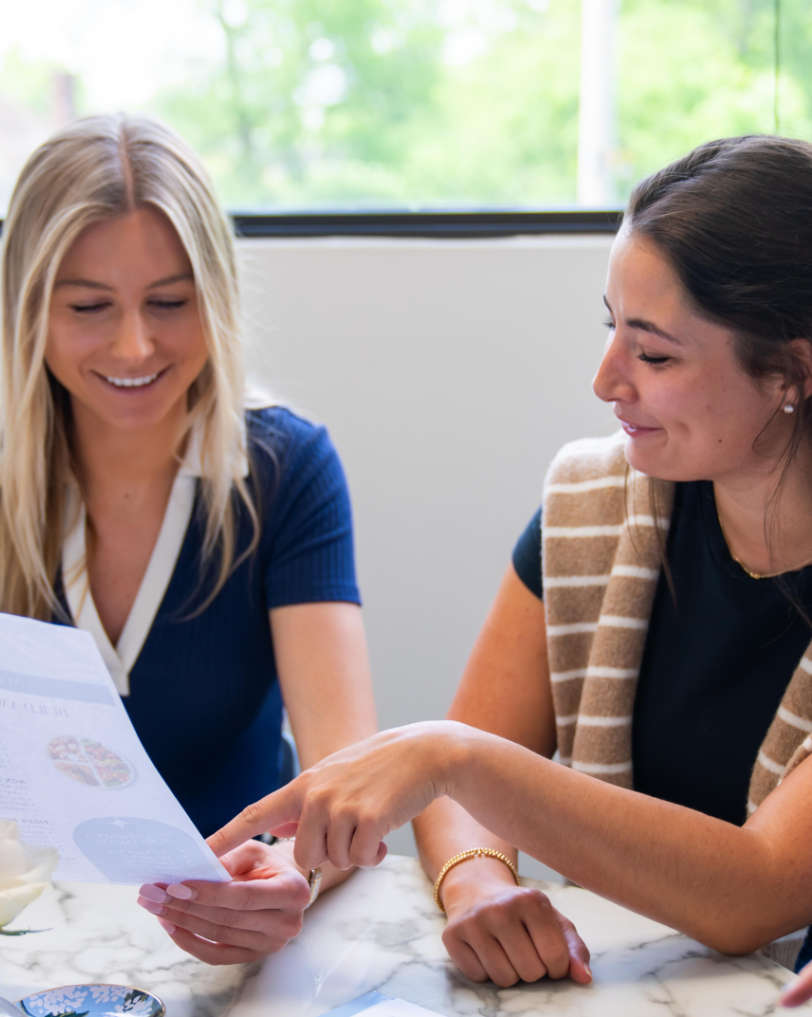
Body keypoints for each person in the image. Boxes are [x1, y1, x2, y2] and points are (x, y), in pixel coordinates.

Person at [208, 135, 812, 982]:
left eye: (656, 352)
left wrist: (453, 754)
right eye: (612, 330)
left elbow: (760, 890)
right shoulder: (589, 503)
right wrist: (479, 884)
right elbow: (460, 803)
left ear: (791, 371)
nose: (606, 381)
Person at [0, 113, 377, 964]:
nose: (135, 344)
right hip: (15, 933)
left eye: (170, 302)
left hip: (226, 925)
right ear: (31, 311)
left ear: (218, 297)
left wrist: (286, 876)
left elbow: (347, 779)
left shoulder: (285, 468)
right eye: (90, 307)